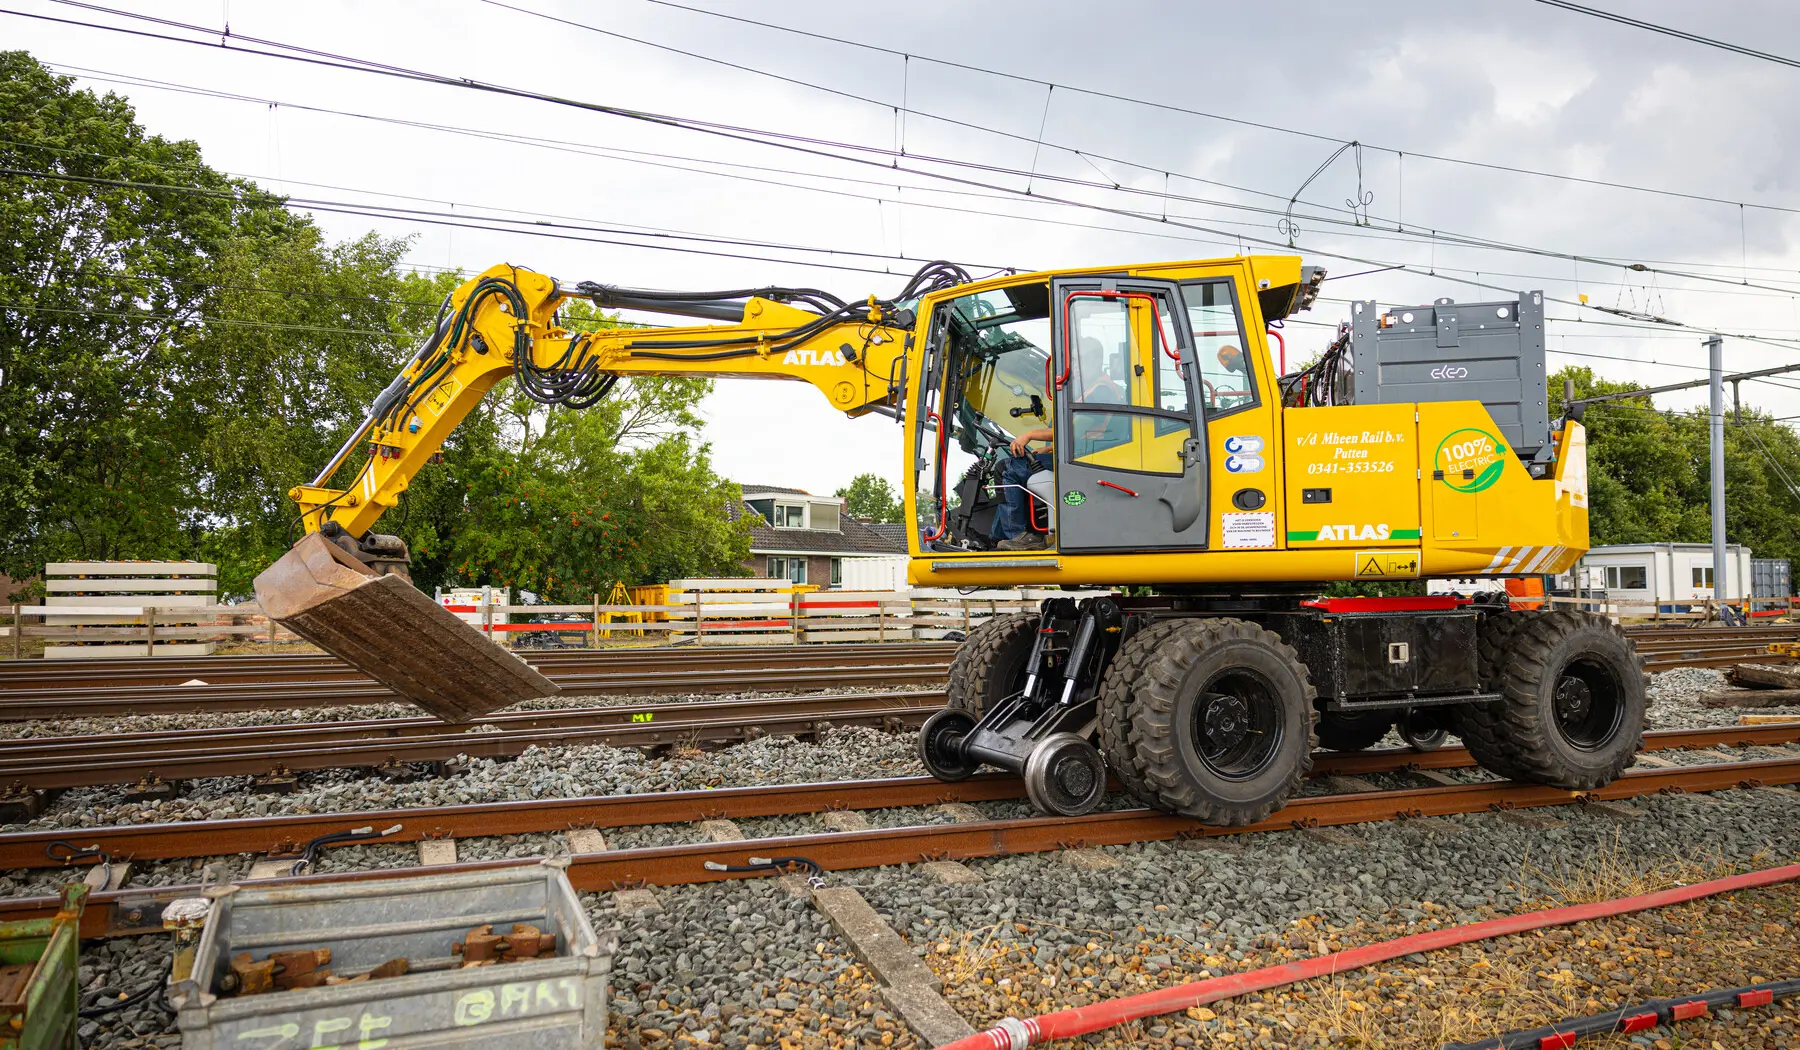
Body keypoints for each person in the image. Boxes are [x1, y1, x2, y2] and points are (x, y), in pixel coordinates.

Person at [993, 337, 1126, 551]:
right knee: (1015, 465)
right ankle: (999, 537)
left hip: (1084, 462)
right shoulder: (1094, 389)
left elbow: (1070, 430)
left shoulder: (1101, 391)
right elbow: (1077, 434)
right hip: (1082, 455)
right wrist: (1047, 449)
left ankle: (1019, 536)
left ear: (1093, 360)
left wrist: (1029, 435)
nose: (1073, 366)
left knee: (1008, 469)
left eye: (1076, 360)